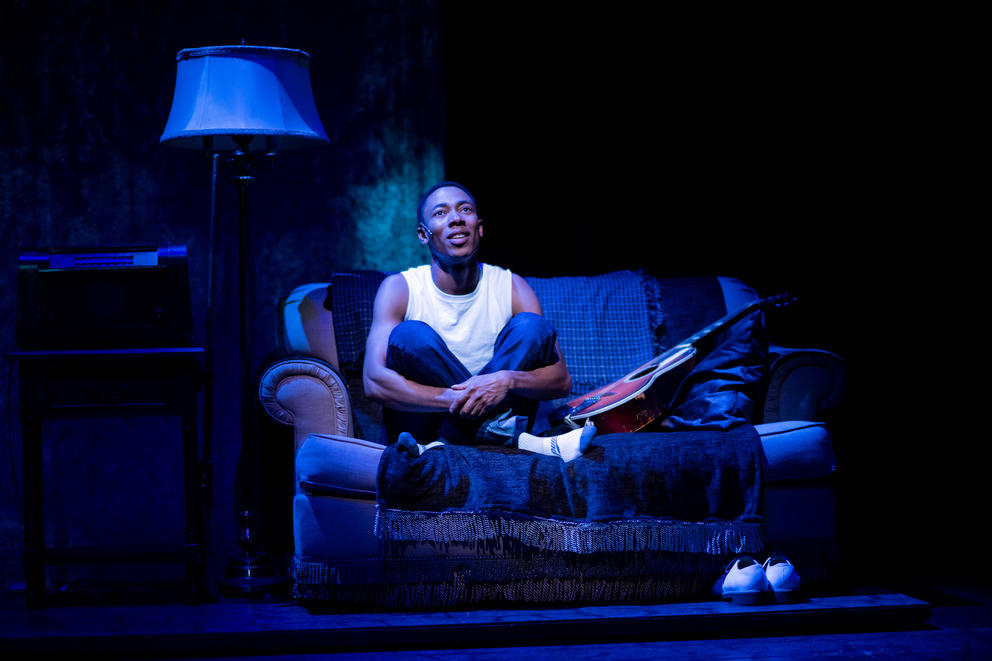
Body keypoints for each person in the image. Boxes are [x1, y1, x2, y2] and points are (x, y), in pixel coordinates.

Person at [362, 181, 595, 461]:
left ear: (479, 228)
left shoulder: (512, 287)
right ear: (423, 235)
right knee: (410, 335)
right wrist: (457, 399)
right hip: (424, 429)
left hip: (466, 428)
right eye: (440, 213)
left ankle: (448, 443)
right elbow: (374, 382)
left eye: (465, 209)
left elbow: (560, 380)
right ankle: (516, 439)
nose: (456, 218)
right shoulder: (400, 288)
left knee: (532, 327)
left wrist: (506, 380)